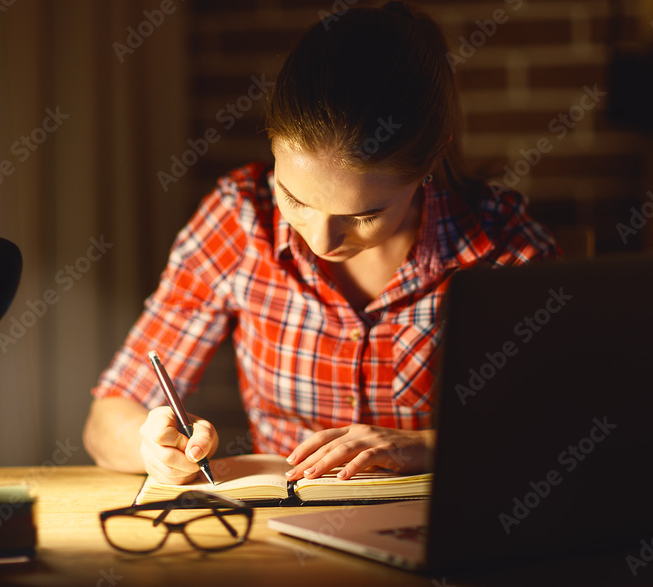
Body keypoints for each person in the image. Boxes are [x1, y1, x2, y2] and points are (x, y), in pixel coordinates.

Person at [83, 1, 560, 485]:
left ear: (429, 163)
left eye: (364, 215)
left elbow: (564, 428)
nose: (319, 240)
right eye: (294, 198)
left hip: (441, 542)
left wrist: (426, 448)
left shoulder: (502, 247)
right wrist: (153, 446)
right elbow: (107, 419)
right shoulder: (240, 220)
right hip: (276, 543)